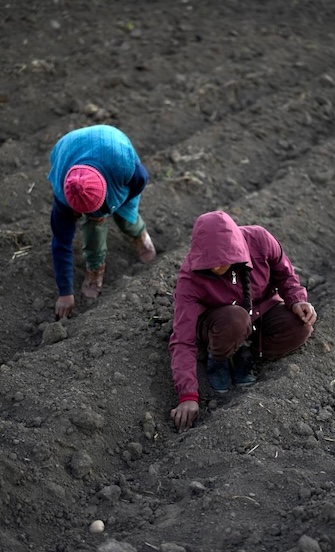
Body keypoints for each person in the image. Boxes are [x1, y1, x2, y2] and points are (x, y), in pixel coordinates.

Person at [169, 210, 317, 432]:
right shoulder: (191, 278)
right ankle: (219, 359)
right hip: (220, 323)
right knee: (235, 319)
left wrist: (296, 300)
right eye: (211, 263)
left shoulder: (260, 240)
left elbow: (285, 275)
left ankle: (247, 352)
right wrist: (187, 394)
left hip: (259, 311)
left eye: (223, 261)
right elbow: (183, 339)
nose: (217, 268)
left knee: (299, 327)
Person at [48, 124, 156, 318]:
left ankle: (139, 233)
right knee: (93, 229)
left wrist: (120, 203)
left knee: (126, 218)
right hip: (69, 149)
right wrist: (65, 292)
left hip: (110, 145)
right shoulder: (62, 196)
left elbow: (141, 180)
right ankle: (95, 268)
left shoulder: (123, 164)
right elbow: (61, 243)